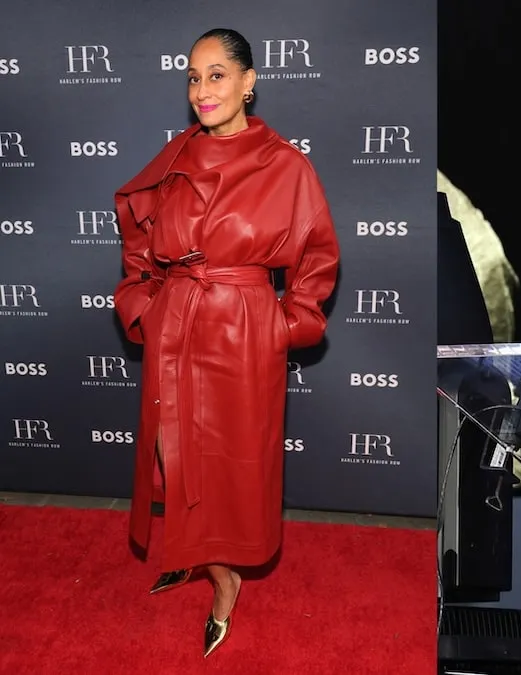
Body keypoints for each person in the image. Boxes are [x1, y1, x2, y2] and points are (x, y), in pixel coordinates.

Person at [112, 28, 340, 658]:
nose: (202, 89)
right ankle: (192, 554)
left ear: (248, 81)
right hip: (177, 325)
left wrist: (282, 326)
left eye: (217, 75)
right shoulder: (174, 157)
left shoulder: (286, 165)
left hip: (243, 333)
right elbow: (139, 249)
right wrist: (143, 306)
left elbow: (316, 260)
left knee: (235, 465)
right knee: (174, 451)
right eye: (192, 76)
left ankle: (225, 579)